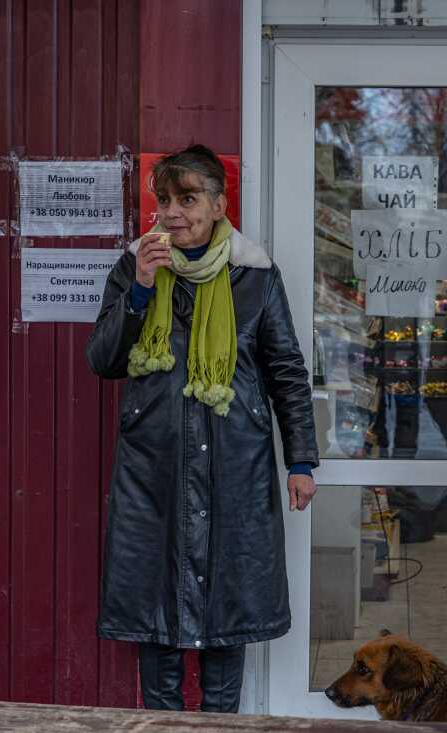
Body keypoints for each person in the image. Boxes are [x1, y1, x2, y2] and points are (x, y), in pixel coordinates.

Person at [86, 145, 318, 712]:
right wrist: (140, 290)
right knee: (156, 611)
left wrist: (302, 459)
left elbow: (286, 370)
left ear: (217, 205)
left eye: (187, 199)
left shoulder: (255, 276)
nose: (172, 213)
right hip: (153, 469)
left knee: (226, 615)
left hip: (236, 463)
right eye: (164, 199)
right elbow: (104, 359)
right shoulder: (134, 266)